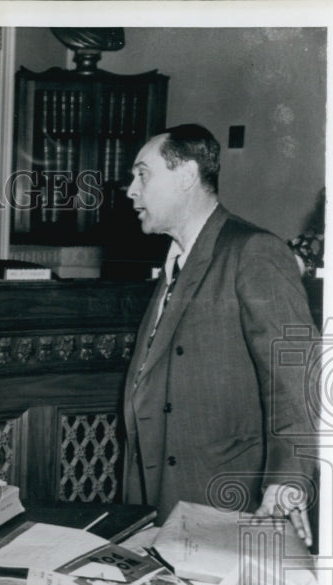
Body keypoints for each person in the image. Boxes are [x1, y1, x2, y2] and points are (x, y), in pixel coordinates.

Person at [122, 124, 318, 546]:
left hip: (220, 499)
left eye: (142, 175)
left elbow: (297, 378)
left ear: (187, 175)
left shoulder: (254, 251)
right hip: (153, 498)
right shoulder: (177, 259)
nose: (130, 191)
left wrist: (288, 480)